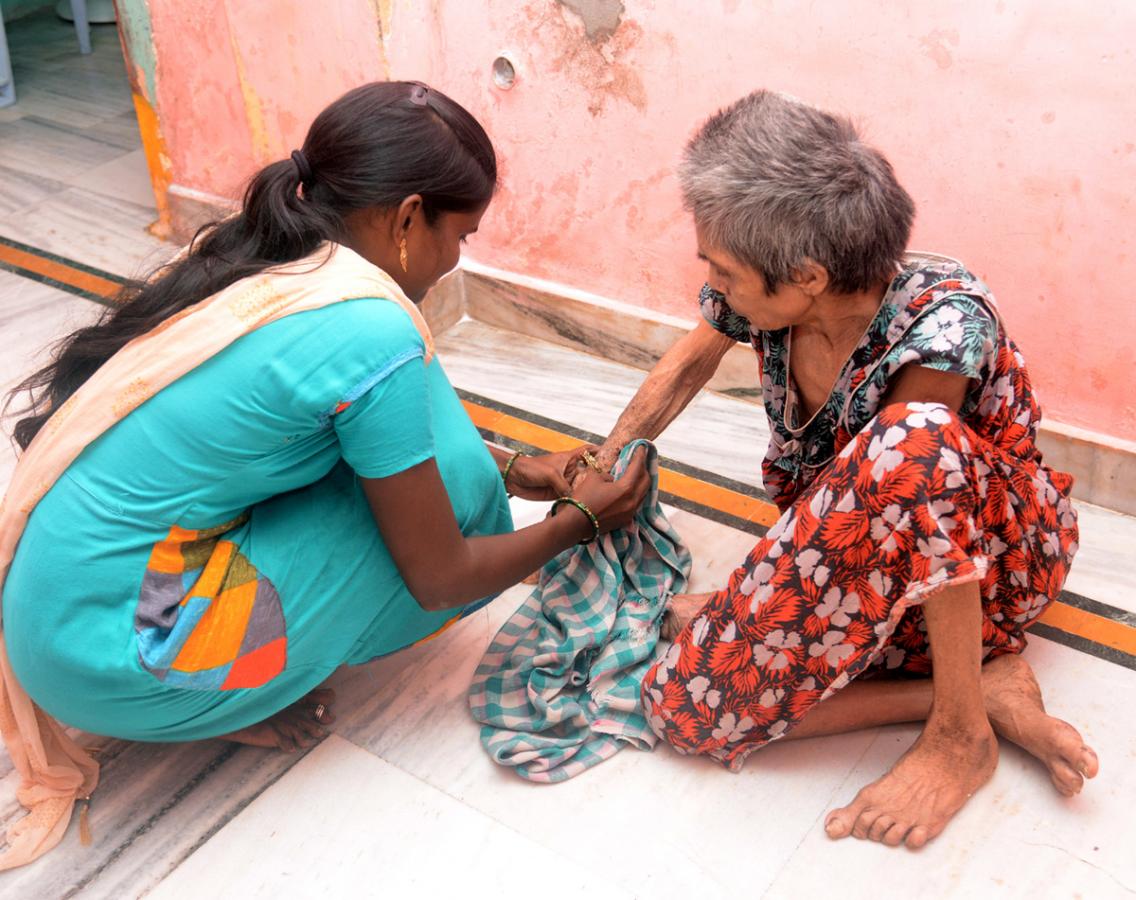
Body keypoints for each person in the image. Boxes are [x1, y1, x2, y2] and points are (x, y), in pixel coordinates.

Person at [0, 80, 648, 868]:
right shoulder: (368, 328)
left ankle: (220, 675)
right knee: (451, 500)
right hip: (108, 656)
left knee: (442, 450)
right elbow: (441, 577)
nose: (453, 260)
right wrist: (579, 520)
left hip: (53, 615)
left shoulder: (274, 249)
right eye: (461, 237)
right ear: (408, 217)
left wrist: (514, 464)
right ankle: (204, 697)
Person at [590, 90, 1098, 850]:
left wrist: (757, 595)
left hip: (984, 566)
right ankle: (983, 687)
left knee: (913, 437)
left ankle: (961, 732)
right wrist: (608, 465)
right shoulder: (773, 299)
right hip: (873, 545)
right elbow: (685, 368)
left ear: (808, 275)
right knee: (684, 710)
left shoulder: (944, 323)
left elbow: (916, 512)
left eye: (725, 271)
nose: (715, 285)